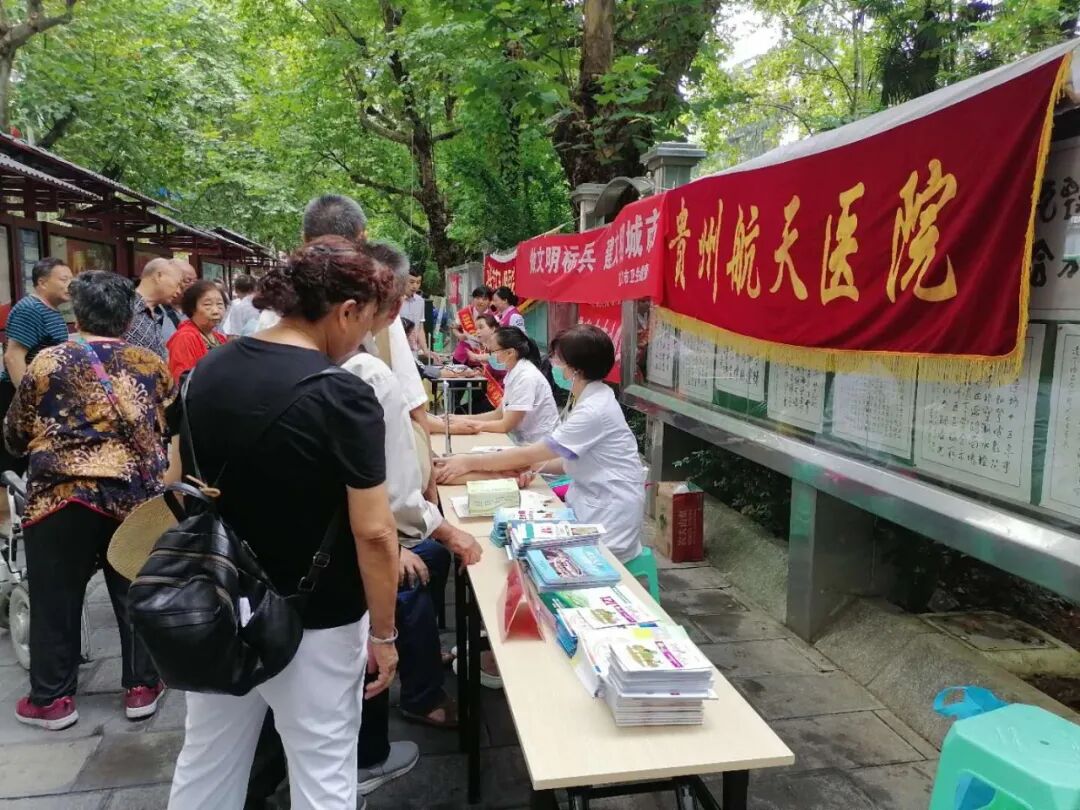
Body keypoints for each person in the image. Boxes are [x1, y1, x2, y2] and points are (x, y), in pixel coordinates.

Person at [167, 237, 400, 810]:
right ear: (347, 310)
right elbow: (374, 531)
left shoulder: (207, 368)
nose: (364, 338)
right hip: (316, 613)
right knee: (322, 768)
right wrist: (385, 634)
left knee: (208, 760)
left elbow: (175, 481)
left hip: (218, 602)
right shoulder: (343, 393)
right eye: (366, 322)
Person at [5, 271, 172, 731]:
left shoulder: (47, 361)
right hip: (133, 496)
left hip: (61, 496)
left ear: (77, 316)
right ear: (127, 318)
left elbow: (16, 432)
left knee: (55, 597)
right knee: (134, 587)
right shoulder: (149, 362)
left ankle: (52, 700)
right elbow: (166, 423)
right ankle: (141, 687)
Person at [435, 324, 645, 563]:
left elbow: (535, 451)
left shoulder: (593, 410)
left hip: (609, 519)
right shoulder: (591, 397)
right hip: (588, 502)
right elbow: (566, 459)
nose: (554, 364)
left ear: (575, 369)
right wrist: (531, 467)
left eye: (559, 360)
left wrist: (469, 462)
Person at [0, 258, 73, 475]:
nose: (70, 285)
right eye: (63, 279)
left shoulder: (51, 310)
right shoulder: (30, 309)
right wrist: (28, 399)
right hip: (20, 395)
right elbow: (13, 357)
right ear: (42, 282)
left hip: (42, 396)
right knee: (15, 466)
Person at [453, 327, 559, 446]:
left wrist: (469, 425)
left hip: (538, 445)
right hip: (523, 441)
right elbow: (498, 414)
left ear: (510, 353)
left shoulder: (526, 378)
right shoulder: (514, 372)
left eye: (493, 352)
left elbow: (505, 426)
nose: (490, 357)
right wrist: (460, 419)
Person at [166, 279, 227, 379]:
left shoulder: (220, 338)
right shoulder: (184, 338)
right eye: (207, 305)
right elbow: (182, 379)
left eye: (220, 304)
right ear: (192, 308)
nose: (216, 311)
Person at [124, 257, 183, 359]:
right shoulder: (124, 308)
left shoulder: (157, 314)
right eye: (177, 284)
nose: (178, 291)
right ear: (159, 276)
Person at [451, 285, 492, 366]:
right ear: (473, 299)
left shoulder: (494, 317)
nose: (480, 301)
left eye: (484, 299)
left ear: (490, 301)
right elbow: (454, 327)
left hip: (483, 356)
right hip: (463, 354)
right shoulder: (464, 313)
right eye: (478, 298)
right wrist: (459, 335)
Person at [159, 260, 198, 343]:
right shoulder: (155, 312)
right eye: (188, 281)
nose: (193, 286)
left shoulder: (199, 310)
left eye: (195, 281)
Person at [400, 268, 427, 354]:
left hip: (413, 351)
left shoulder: (420, 301)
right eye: (411, 282)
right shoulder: (394, 300)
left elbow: (420, 328)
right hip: (397, 349)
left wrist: (426, 350)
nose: (415, 286)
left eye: (418, 282)